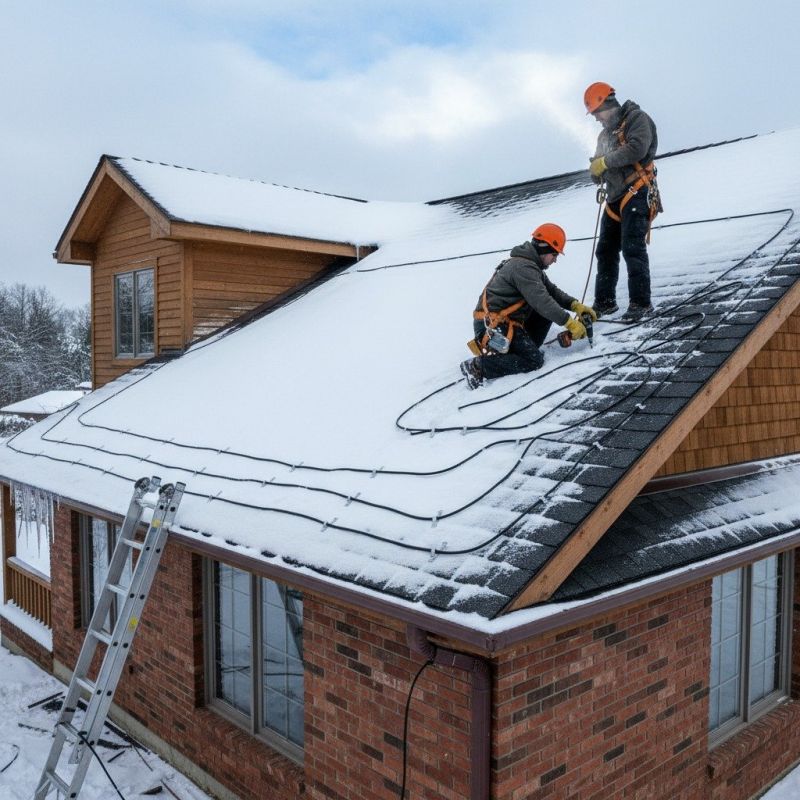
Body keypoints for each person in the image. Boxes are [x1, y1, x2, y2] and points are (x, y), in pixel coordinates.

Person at [460, 224, 596, 389]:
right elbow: (542, 301)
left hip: (502, 322)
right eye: (554, 254)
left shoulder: (529, 266)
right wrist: (569, 322)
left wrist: (576, 306)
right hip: (493, 326)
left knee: (545, 314)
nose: (555, 259)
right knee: (533, 361)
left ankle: (524, 350)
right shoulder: (523, 268)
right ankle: (478, 367)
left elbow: (551, 292)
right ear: (544, 248)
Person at [584, 82, 659, 323]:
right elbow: (599, 164)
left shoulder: (637, 119)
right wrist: (596, 170)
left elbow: (637, 149)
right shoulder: (605, 135)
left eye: (597, 113)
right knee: (605, 251)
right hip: (615, 198)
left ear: (608, 104)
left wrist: (604, 163)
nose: (596, 119)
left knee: (632, 247)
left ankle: (641, 303)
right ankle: (604, 302)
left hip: (636, 192)